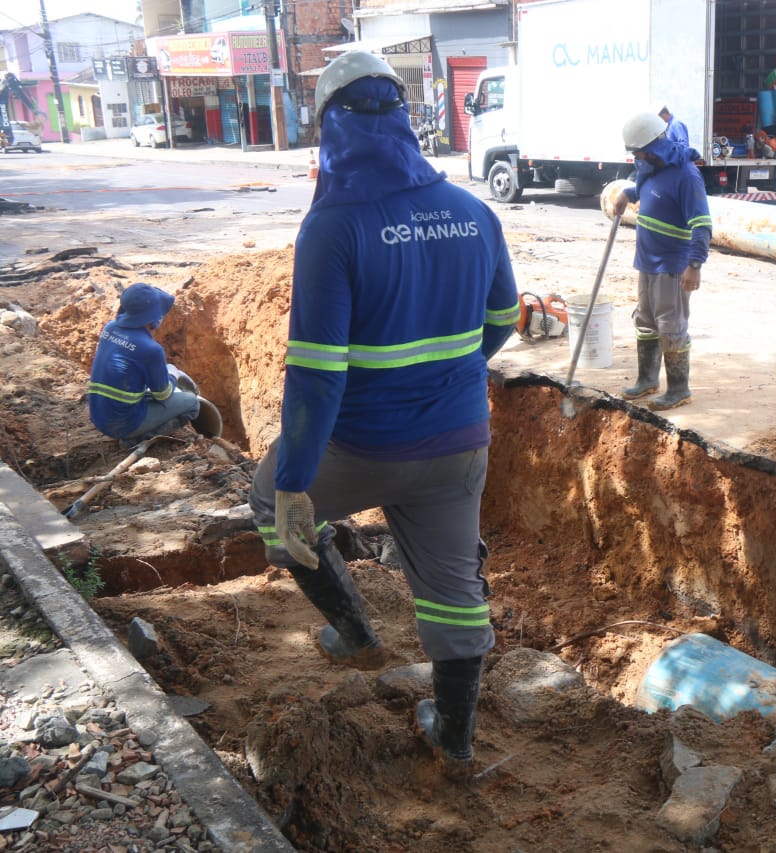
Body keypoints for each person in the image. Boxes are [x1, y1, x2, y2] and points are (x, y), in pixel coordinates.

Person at [247, 51, 520, 775]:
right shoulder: (474, 212)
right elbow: (505, 319)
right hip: (458, 443)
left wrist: (293, 482)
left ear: (331, 128)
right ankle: (454, 739)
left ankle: (355, 632)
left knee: (264, 495)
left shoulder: (334, 227)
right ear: (406, 121)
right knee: (454, 589)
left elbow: (314, 376)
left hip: (361, 447)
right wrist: (451, 373)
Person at [612, 110, 711, 411]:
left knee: (671, 326)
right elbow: (646, 190)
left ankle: (679, 388)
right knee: (646, 322)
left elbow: (702, 225)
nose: (636, 158)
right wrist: (627, 194)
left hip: (672, 266)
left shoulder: (687, 176)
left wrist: (694, 266)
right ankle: (647, 380)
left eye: (638, 152)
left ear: (654, 146)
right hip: (647, 261)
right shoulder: (651, 168)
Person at [87, 283, 201, 446]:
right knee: (192, 403)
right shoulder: (151, 349)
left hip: (98, 415)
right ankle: (136, 439)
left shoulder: (110, 328)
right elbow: (163, 395)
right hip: (122, 424)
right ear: (153, 318)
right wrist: (173, 374)